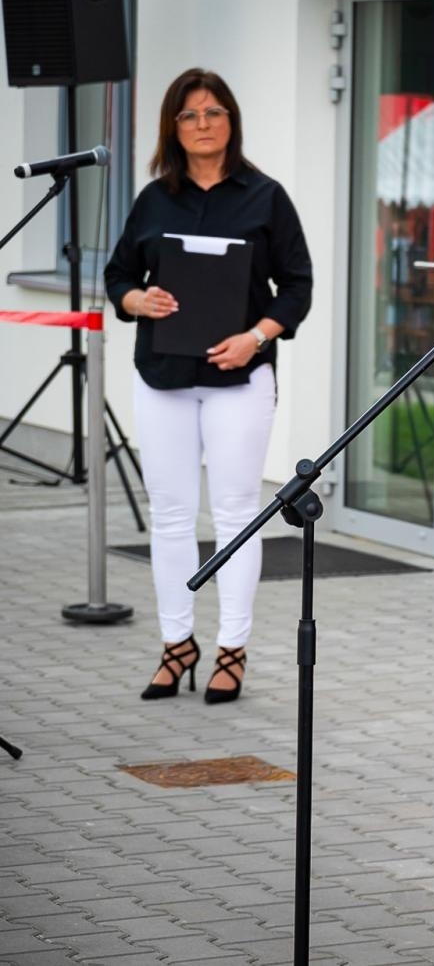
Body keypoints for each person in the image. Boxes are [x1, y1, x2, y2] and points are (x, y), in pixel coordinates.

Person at [104, 68, 313, 705]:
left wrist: (258, 335)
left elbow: (298, 286)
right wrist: (138, 299)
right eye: (189, 115)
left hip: (238, 380)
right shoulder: (153, 200)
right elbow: (118, 277)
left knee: (234, 515)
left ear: (231, 121)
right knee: (168, 518)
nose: (202, 125)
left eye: (213, 113)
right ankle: (176, 645)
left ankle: (231, 649)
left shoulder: (265, 197)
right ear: (174, 126)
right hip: (163, 377)